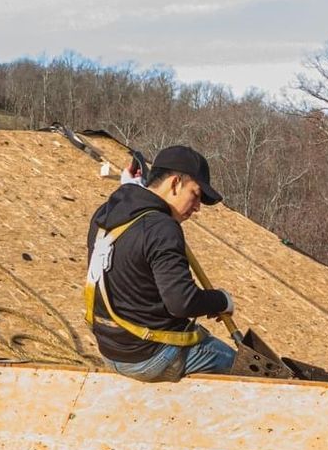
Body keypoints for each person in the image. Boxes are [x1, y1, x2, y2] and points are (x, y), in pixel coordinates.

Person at [84, 145, 237, 382]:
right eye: (195, 195)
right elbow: (182, 302)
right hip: (149, 356)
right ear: (175, 183)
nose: (197, 208)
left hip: (112, 349)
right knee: (240, 367)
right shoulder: (162, 228)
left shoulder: (108, 213)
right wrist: (222, 300)